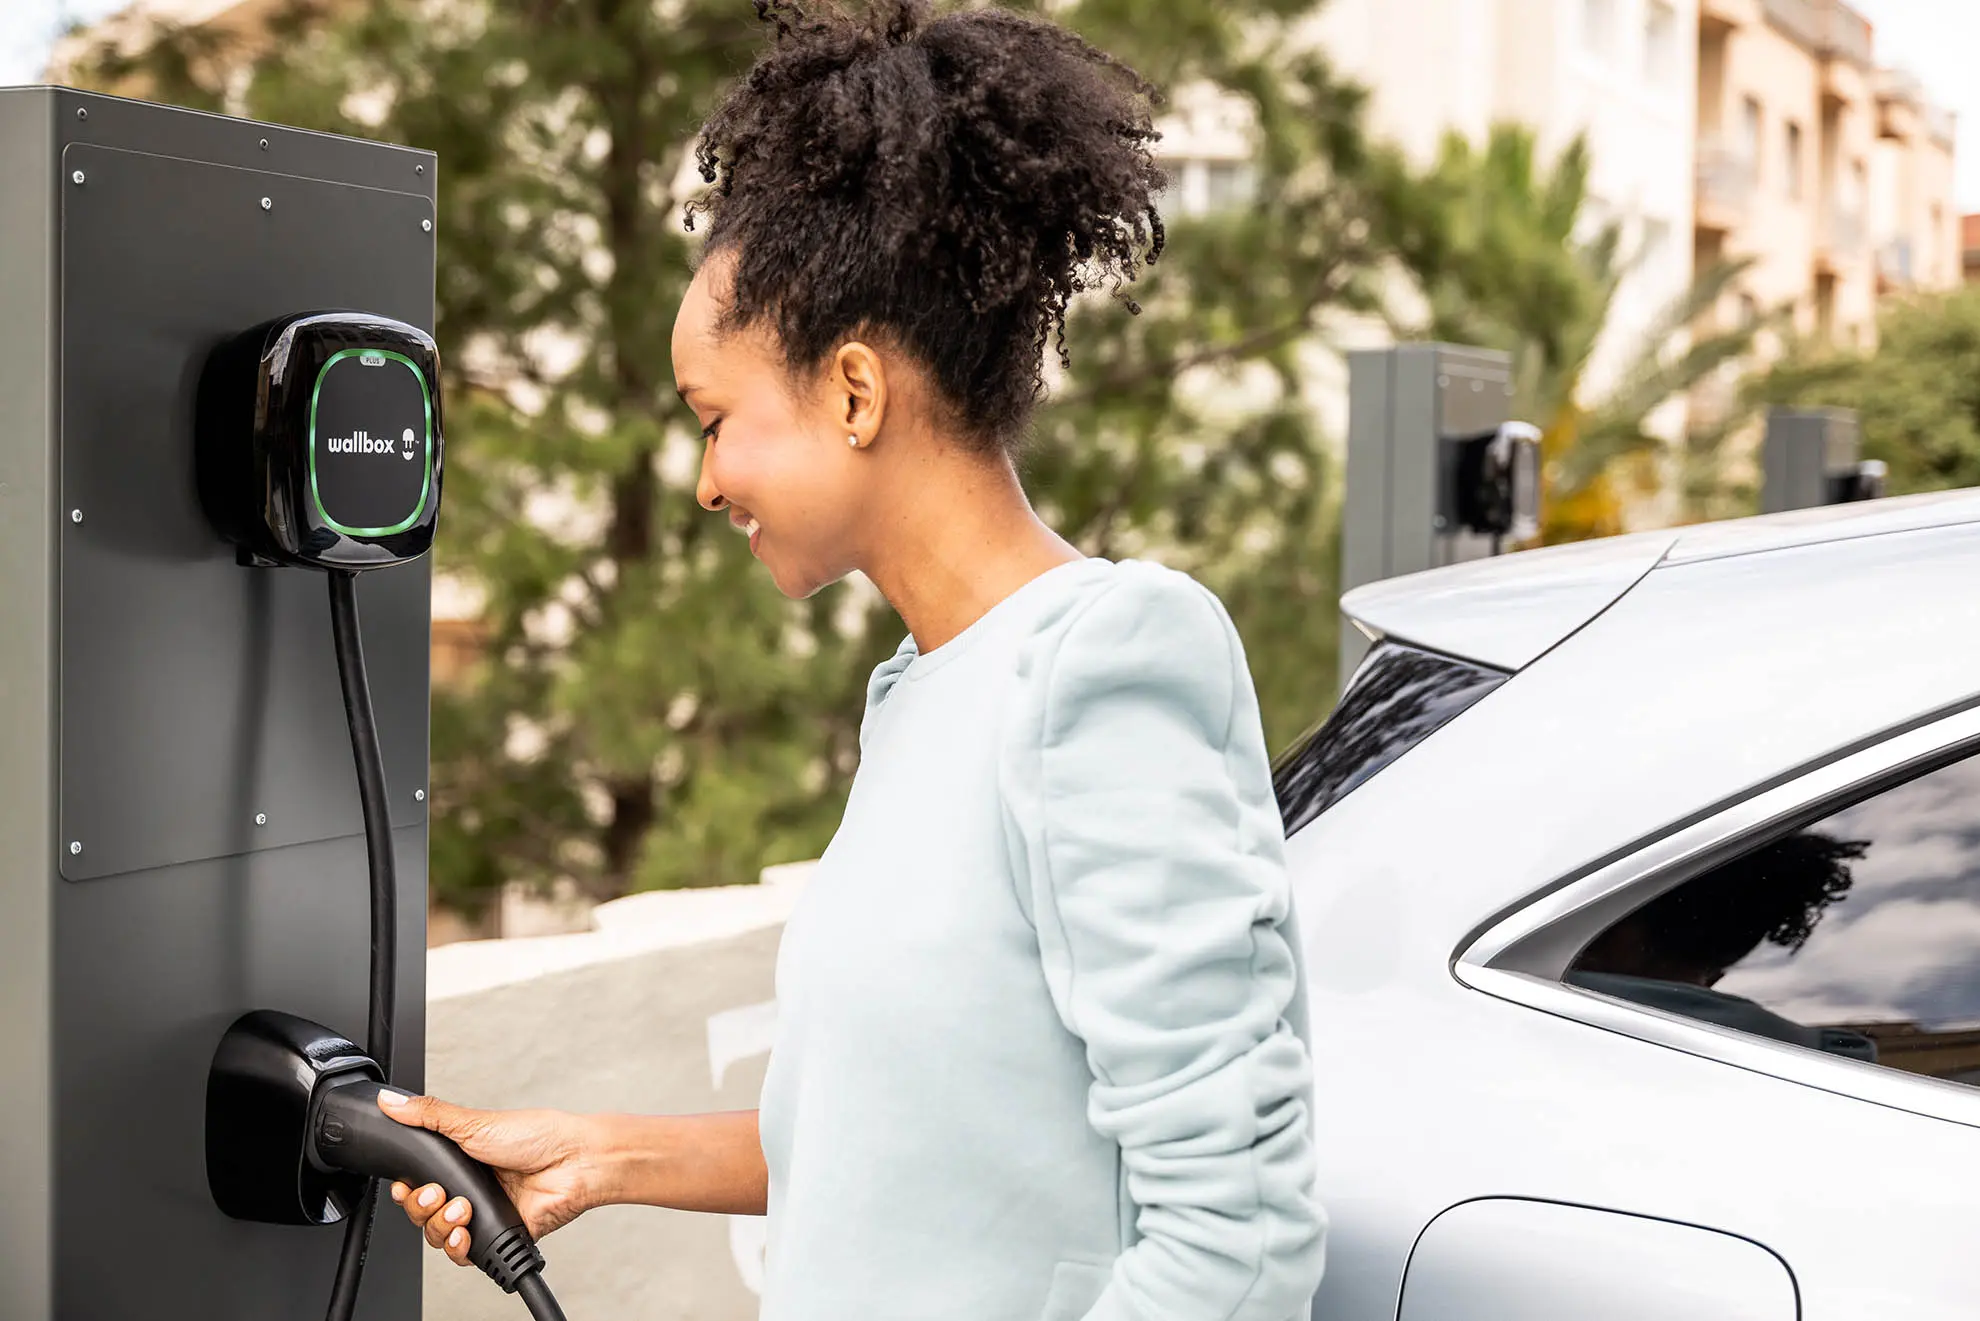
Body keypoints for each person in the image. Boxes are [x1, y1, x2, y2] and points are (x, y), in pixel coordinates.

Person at [375, 2, 1326, 1317]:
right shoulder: (919, 695)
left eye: (718, 422)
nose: (706, 484)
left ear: (857, 394)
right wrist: (597, 1155)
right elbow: (906, 1155)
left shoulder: (1101, 666)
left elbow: (1239, 1242)